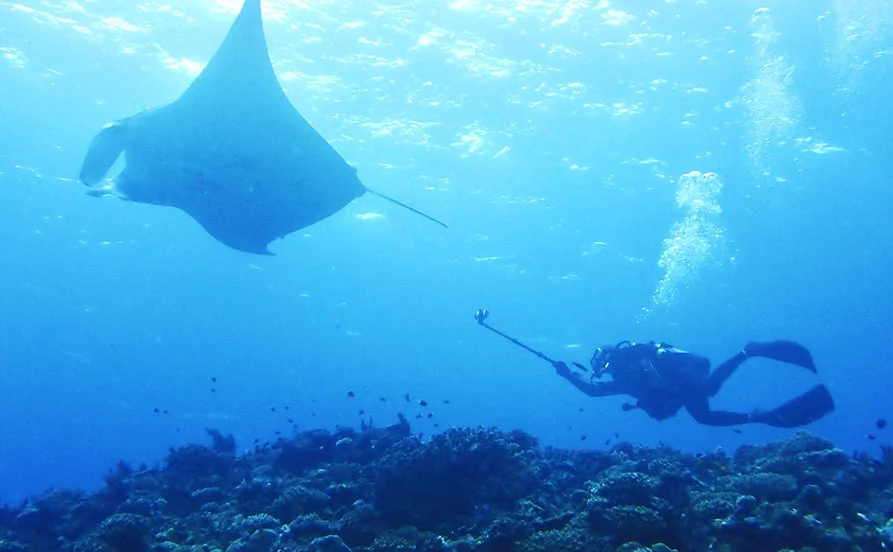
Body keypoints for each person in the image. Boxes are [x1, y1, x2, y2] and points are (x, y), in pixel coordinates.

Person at [553, 340, 835, 427]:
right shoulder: (622, 382)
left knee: (709, 388)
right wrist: (567, 374)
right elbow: (593, 391)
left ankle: (749, 351)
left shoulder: (636, 359)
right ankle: (757, 417)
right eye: (600, 366)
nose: (604, 368)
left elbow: (655, 374)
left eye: (604, 361)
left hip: (681, 373)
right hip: (676, 390)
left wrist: (650, 377)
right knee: (704, 417)